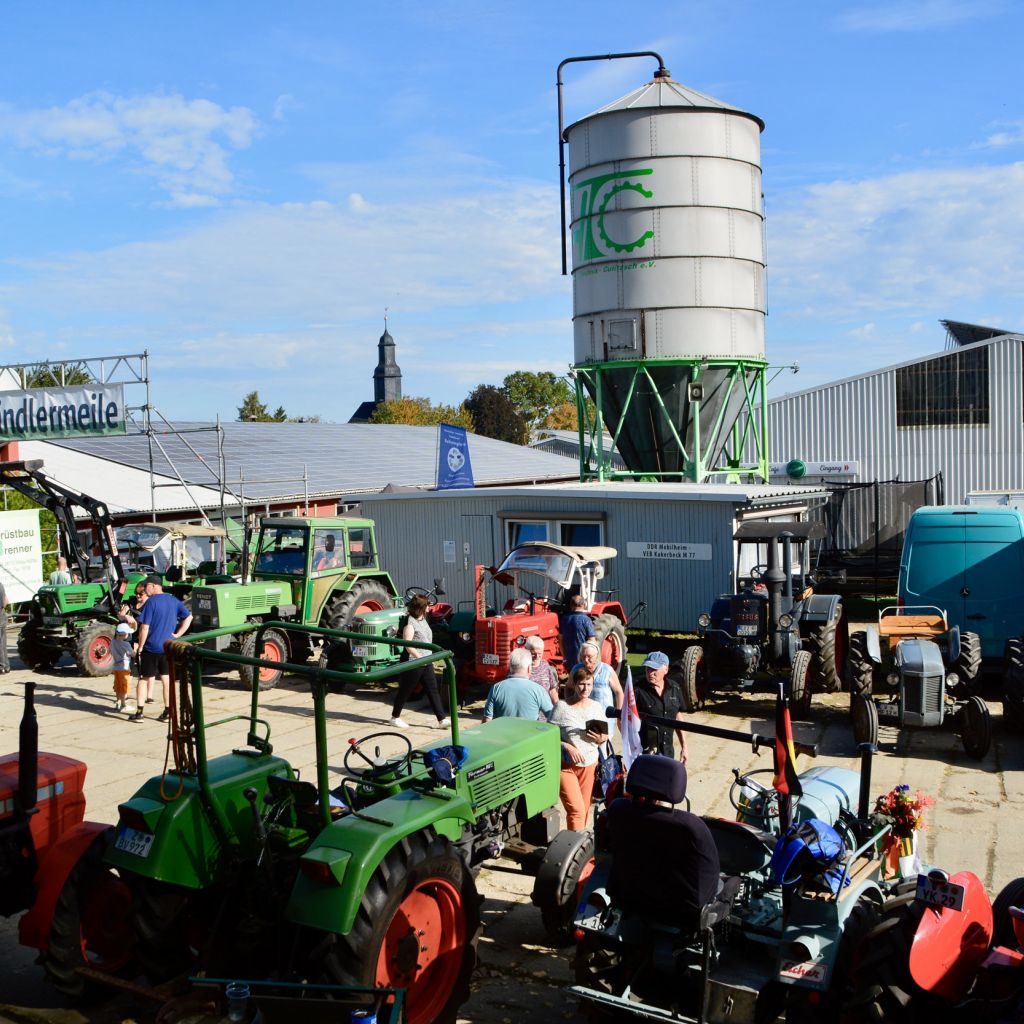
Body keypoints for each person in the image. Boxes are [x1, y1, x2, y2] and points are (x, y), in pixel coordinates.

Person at [549, 666, 605, 830]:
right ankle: (572, 848)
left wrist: (601, 738)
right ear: (574, 684)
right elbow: (546, 737)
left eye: (589, 684)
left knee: (585, 810)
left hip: (589, 765)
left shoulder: (596, 707)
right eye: (582, 684)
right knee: (576, 810)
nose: (585, 688)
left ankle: (579, 846)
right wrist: (566, 746)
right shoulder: (562, 707)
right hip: (565, 767)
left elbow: (604, 737)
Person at [131, 575, 192, 723]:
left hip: (151, 647)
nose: (145, 590)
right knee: (166, 679)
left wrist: (140, 646)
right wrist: (177, 635)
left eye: (146, 587)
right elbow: (188, 617)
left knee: (143, 679)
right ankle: (167, 712)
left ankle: (139, 713)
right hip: (168, 647)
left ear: (152, 586)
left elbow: (144, 627)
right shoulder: (173, 600)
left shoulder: (151, 602)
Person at [390, 594, 450, 729]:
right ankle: (395, 717)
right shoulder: (410, 623)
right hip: (414, 662)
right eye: (427, 605)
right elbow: (408, 645)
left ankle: (441, 719)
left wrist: (428, 658)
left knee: (433, 689)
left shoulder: (423, 620)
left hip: (426, 661)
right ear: (422, 607)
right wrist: (420, 658)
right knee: (405, 690)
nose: (429, 607)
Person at [633, 651, 688, 763]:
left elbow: (678, 717)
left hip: (667, 752)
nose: (650, 672)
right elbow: (625, 721)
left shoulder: (674, 688)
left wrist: (684, 747)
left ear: (666, 670)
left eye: (654, 669)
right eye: (648, 668)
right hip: (645, 754)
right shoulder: (637, 690)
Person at [482, 648, 553, 723]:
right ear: (529, 668)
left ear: (509, 667)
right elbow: (553, 716)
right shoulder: (538, 690)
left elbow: (487, 719)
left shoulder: (496, 688)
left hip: (502, 734)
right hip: (529, 734)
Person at [572, 641, 623, 739]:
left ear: (597, 656)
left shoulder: (607, 670)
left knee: (604, 748)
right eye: (583, 656)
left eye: (589, 657)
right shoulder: (576, 670)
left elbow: (619, 692)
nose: (586, 660)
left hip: (604, 719)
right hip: (583, 717)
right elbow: (569, 688)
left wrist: (619, 715)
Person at [560, 594, 595, 668]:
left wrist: (564, 656)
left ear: (571, 605)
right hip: (583, 660)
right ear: (583, 605)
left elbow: (561, 640)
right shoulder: (586, 620)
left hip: (570, 660)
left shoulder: (564, 619)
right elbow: (592, 641)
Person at [525, 635, 559, 711]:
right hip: (528, 713)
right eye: (533, 653)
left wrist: (557, 707)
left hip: (545, 714)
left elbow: (552, 689)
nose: (537, 656)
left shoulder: (545, 666)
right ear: (526, 651)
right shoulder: (521, 668)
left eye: (540, 653)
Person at [111, 622, 136, 713]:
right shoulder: (126, 644)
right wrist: (136, 649)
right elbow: (133, 654)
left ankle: (118, 703)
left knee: (117, 686)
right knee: (124, 688)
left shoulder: (112, 642)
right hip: (124, 668)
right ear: (124, 635)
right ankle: (123, 705)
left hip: (116, 667)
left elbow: (111, 651)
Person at [0, 579, 9, 674]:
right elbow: (6, 601)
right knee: (3, 642)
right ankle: (6, 666)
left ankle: (1, 666)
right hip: (2, 614)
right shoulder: (1, 584)